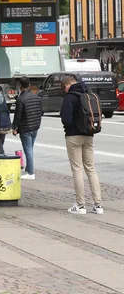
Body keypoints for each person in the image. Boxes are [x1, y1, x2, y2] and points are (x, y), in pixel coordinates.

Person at [60, 76, 103, 215]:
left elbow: (66, 119)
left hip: (73, 136)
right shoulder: (88, 94)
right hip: (89, 135)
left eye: (64, 88)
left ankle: (81, 206)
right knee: (91, 169)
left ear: (67, 85)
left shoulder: (69, 98)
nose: (64, 90)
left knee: (77, 170)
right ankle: (98, 205)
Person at [11, 76, 42, 180]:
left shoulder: (21, 99)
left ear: (20, 86)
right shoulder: (36, 97)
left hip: (26, 128)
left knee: (28, 150)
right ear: (29, 85)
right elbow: (39, 112)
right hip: (35, 127)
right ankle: (29, 168)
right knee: (30, 149)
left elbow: (18, 115)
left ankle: (30, 172)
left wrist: (14, 127)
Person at [0, 86, 12, 155]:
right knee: (2, 138)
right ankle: (0, 151)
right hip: (6, 122)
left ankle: (1, 153)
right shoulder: (3, 97)